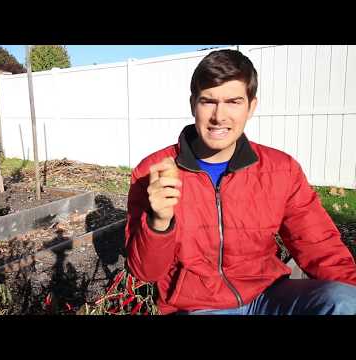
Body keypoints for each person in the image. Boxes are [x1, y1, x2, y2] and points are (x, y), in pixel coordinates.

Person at [124, 49, 356, 315]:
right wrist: (159, 223)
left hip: (269, 296)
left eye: (233, 101)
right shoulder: (154, 171)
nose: (219, 116)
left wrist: (351, 293)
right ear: (193, 105)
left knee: (344, 301)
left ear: (251, 106)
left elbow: (318, 245)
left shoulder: (280, 169)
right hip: (199, 306)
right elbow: (145, 272)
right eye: (208, 101)